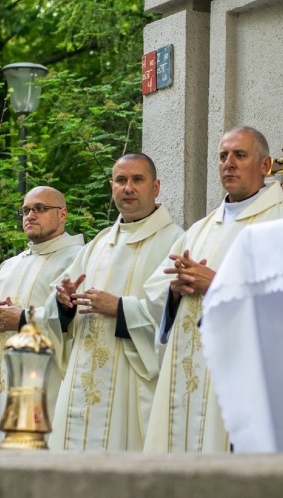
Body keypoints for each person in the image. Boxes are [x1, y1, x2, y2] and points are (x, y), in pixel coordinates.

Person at [143, 126, 283, 452]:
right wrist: (175, 290)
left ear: (266, 165)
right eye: (222, 156)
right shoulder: (201, 228)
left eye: (240, 155)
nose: (228, 163)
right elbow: (155, 295)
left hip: (238, 380)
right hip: (186, 376)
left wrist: (216, 284)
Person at [39, 153, 183, 451]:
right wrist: (64, 302)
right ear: (112, 187)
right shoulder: (98, 244)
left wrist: (119, 308)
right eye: (121, 180)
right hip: (81, 377)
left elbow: (176, 316)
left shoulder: (174, 241)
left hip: (132, 382)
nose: (128, 187)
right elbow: (55, 309)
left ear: (155, 187)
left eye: (137, 180)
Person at [0, 186, 84, 449]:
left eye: (39, 208)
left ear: (62, 214)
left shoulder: (78, 259)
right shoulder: (11, 264)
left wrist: (24, 319)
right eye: (26, 210)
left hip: (41, 381)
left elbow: (78, 319)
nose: (30, 215)